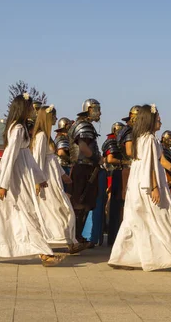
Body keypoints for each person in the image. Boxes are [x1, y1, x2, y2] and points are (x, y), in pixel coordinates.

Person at [0, 94, 64, 266]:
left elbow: (27, 156)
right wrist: (3, 184)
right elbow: (9, 156)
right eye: (29, 107)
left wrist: (39, 176)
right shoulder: (19, 129)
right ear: (23, 108)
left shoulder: (18, 128)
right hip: (16, 178)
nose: (32, 111)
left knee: (0, 212)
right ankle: (45, 253)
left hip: (19, 174)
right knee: (27, 211)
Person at [108, 104, 171, 272]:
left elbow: (162, 161)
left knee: (135, 220)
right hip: (147, 185)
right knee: (163, 218)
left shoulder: (145, 139)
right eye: (158, 120)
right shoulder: (148, 139)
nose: (160, 123)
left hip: (139, 184)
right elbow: (149, 165)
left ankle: (121, 257)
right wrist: (155, 187)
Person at [31, 105, 85, 254]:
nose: (55, 119)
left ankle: (70, 241)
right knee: (59, 209)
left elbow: (52, 159)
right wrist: (38, 180)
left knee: (62, 209)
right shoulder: (41, 136)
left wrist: (62, 174)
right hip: (47, 180)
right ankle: (63, 241)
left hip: (53, 178)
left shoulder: (46, 136)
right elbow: (38, 159)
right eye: (53, 116)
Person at [68, 99, 102, 243]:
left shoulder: (85, 125)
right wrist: (96, 158)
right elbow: (83, 147)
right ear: (89, 110)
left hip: (86, 167)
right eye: (96, 109)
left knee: (85, 203)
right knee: (79, 202)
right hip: (82, 168)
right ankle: (74, 236)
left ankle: (78, 236)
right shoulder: (83, 125)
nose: (99, 112)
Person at [102, 122, 125, 245]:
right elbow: (110, 159)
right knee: (113, 204)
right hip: (113, 174)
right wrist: (125, 161)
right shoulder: (112, 141)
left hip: (116, 174)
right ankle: (113, 234)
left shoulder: (116, 141)